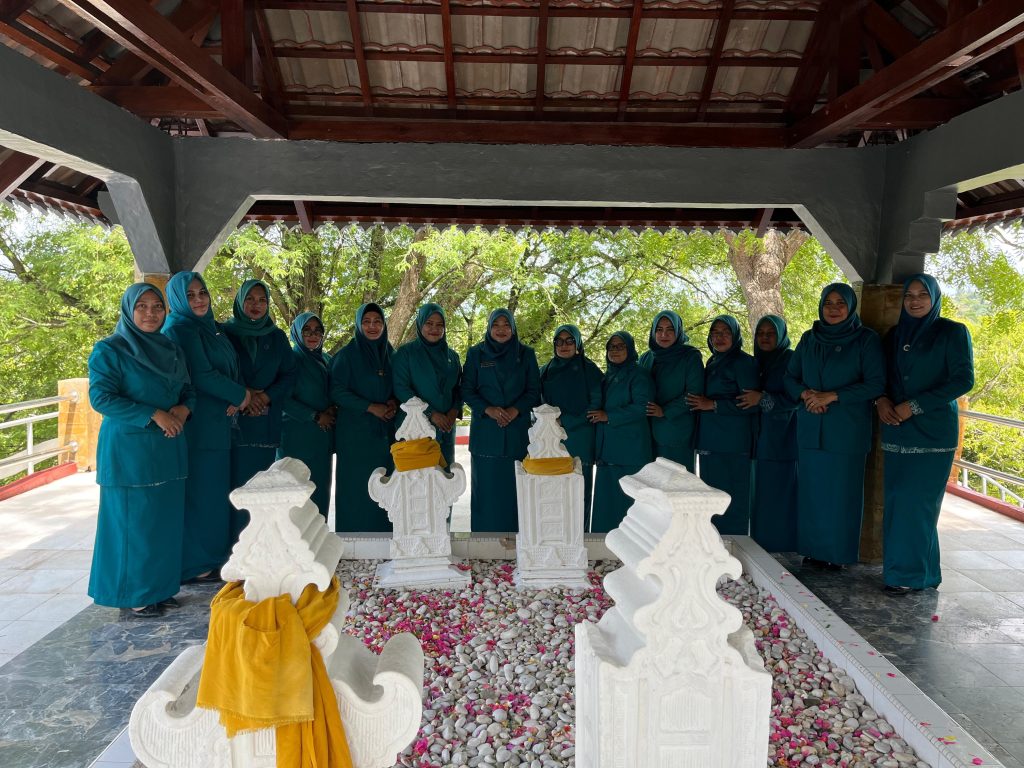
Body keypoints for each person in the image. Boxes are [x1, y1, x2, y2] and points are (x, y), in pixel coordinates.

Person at [88, 283, 195, 618]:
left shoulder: (171, 349)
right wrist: (153, 414)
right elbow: (101, 398)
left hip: (167, 447)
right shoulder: (111, 349)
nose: (151, 313)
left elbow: (188, 391)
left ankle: (159, 589)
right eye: (142, 307)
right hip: (129, 452)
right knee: (132, 526)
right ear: (129, 310)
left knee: (162, 522)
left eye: (157, 306)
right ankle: (133, 594)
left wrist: (183, 410)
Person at [876, 274, 973, 594]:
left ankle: (906, 575)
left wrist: (914, 406)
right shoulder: (894, 335)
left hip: (933, 434)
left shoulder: (952, 332)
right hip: (896, 429)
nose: (915, 301)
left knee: (916, 503)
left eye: (922, 295)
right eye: (909, 295)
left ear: (934, 299)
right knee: (898, 501)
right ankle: (924, 573)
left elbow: (963, 380)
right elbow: (880, 376)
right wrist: (881, 400)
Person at [785, 283, 885, 568]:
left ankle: (837, 554)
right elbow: (790, 377)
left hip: (846, 431)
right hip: (811, 428)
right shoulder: (809, 338)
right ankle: (813, 550)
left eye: (841, 303)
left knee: (841, 495)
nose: (834, 308)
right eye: (828, 303)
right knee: (813, 494)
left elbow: (876, 383)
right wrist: (806, 395)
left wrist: (833, 396)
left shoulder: (866, 340)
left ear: (851, 306)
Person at [163, 272, 249, 583]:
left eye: (202, 292)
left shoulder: (211, 328)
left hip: (219, 422)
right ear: (177, 299)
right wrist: (241, 395)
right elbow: (201, 375)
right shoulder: (180, 329)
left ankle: (213, 558)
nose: (199, 300)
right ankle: (196, 564)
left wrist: (237, 394)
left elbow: (230, 366)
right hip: (199, 426)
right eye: (190, 295)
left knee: (215, 494)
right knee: (202, 495)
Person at [222, 279, 297, 537]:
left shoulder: (276, 337)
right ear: (239, 301)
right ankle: (233, 547)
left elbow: (289, 375)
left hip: (265, 423)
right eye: (250, 299)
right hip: (232, 423)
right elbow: (219, 369)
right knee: (233, 489)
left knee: (260, 489)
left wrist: (264, 397)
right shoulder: (224, 333)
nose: (256, 305)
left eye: (262, 300)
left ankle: (259, 543)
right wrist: (244, 394)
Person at [462, 308, 540, 532]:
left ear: (513, 328)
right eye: (496, 325)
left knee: (516, 495)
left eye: (506, 325)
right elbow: (466, 390)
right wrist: (488, 409)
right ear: (489, 328)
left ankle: (517, 544)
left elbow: (534, 391)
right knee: (486, 496)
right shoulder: (476, 354)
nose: (501, 330)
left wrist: (516, 410)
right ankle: (484, 543)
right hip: (486, 436)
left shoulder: (526, 354)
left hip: (517, 435)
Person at [686, 316, 759, 535]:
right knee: (712, 501)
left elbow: (751, 404)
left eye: (726, 332)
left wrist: (714, 404)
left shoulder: (744, 363)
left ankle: (733, 546)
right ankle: (713, 545)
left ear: (735, 335)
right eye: (715, 333)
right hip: (710, 442)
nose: (720, 337)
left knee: (732, 500)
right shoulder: (713, 361)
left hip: (733, 444)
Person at [329, 302, 397, 532]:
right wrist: (369, 407)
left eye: (377, 321)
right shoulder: (347, 356)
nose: (372, 326)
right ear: (358, 325)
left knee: (385, 486)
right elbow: (336, 391)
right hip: (355, 437)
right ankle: (353, 540)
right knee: (357, 488)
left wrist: (393, 401)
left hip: (385, 436)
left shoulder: (390, 354)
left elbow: (400, 384)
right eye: (366, 322)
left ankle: (385, 541)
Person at [744, 314, 799, 551]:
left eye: (771, 333)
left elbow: (796, 399)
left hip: (782, 437)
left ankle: (780, 547)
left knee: (779, 492)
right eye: (760, 333)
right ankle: (761, 546)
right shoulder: (757, 362)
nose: (765, 338)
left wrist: (763, 399)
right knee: (761, 495)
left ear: (781, 335)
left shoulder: (790, 359)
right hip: (758, 437)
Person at [589, 331, 653, 533]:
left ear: (630, 349)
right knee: (606, 509)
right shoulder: (607, 376)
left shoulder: (639, 374)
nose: (615, 350)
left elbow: (643, 406)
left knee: (628, 511)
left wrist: (608, 416)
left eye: (620, 346)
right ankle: (602, 547)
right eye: (611, 347)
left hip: (629, 453)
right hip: (608, 453)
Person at [538, 324, 603, 515]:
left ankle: (580, 531)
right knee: (554, 491)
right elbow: (537, 400)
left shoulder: (590, 370)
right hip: (552, 438)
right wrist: (547, 420)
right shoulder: (546, 370)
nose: (564, 345)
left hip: (580, 436)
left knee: (579, 491)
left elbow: (595, 404)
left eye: (569, 341)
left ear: (578, 344)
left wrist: (565, 421)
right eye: (559, 341)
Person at [278, 312, 336, 521]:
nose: (313, 335)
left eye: (318, 331)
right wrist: (314, 415)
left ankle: (319, 539)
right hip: (296, 437)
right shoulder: (289, 360)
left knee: (319, 493)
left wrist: (332, 409)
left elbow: (335, 390)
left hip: (321, 438)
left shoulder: (326, 360)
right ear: (297, 333)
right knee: (295, 494)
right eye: (307, 331)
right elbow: (281, 398)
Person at [392, 303, 463, 468]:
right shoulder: (406, 353)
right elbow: (401, 388)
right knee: (417, 477)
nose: (434, 329)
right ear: (420, 324)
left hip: (446, 427)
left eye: (440, 325)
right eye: (429, 323)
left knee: (445, 475)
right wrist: (431, 413)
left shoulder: (453, 356)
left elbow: (459, 388)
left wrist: (454, 411)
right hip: (415, 428)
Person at [638, 310, 703, 472]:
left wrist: (664, 411)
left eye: (670, 329)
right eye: (659, 329)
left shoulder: (690, 356)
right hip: (646, 435)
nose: (664, 334)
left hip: (676, 433)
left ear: (678, 331)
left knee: (677, 483)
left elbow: (694, 394)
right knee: (649, 484)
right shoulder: (646, 357)